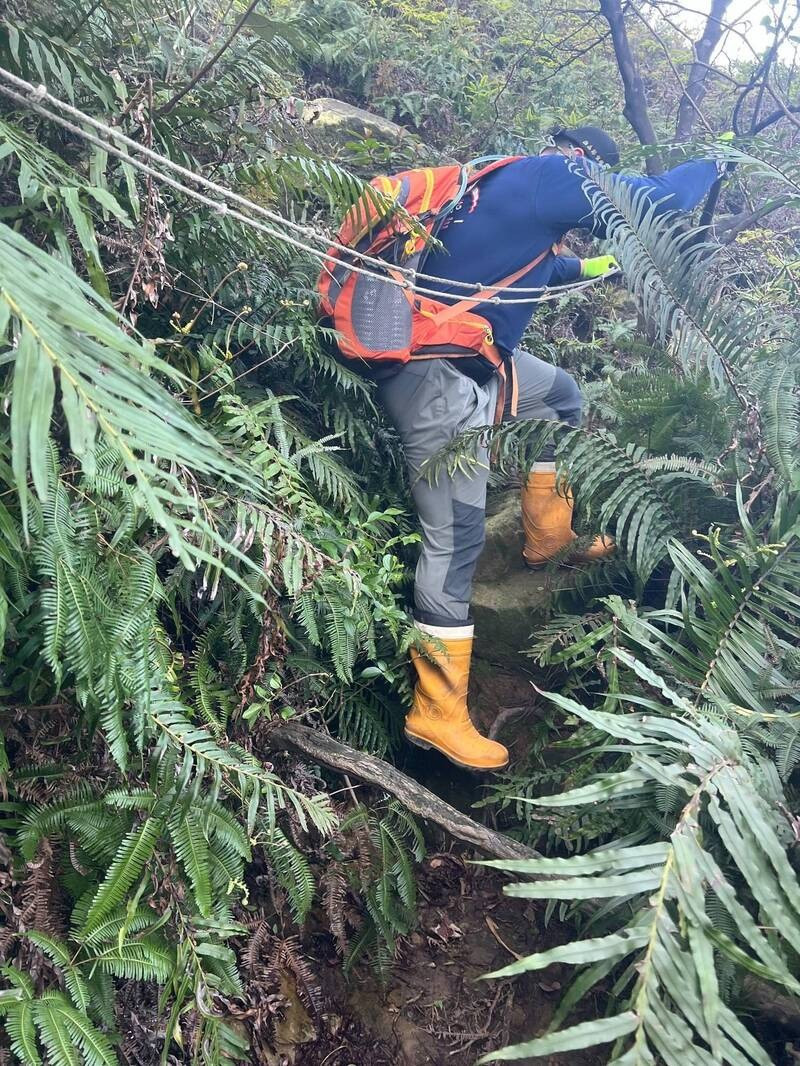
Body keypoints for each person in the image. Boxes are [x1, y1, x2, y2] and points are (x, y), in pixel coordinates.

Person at [374, 125, 724, 772]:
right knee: (456, 539)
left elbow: (569, 268)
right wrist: (715, 161)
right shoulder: (547, 174)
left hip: (475, 358)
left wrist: (609, 264)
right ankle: (436, 708)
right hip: (434, 372)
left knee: (561, 396)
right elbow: (657, 201)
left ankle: (546, 534)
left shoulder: (511, 207)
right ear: (584, 162)